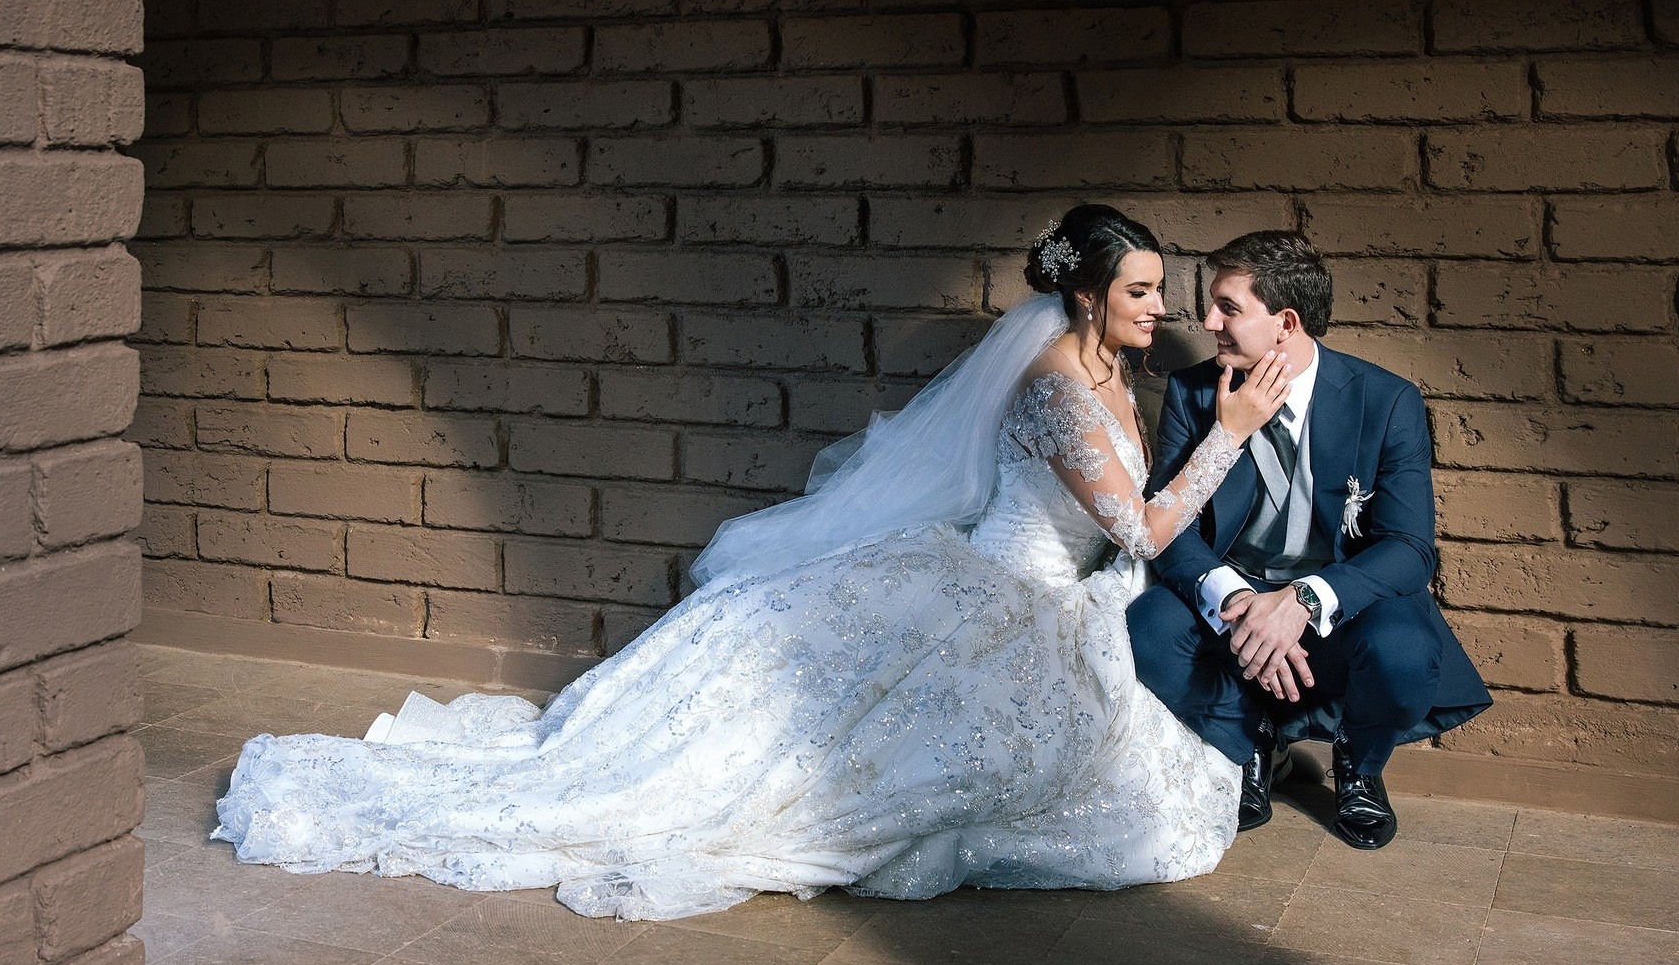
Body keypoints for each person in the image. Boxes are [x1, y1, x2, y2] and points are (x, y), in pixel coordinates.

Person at [214, 206, 1291, 920]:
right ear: (1090, 295)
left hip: (1044, 589)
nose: (1163, 309)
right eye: (1143, 290)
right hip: (1008, 590)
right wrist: (1231, 432)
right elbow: (1143, 529)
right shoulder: (1058, 384)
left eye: (1161, 290)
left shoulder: (1106, 372)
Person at [1127, 231, 1491, 851]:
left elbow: (1408, 547)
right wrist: (1237, 601)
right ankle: (1249, 749)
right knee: (1148, 630)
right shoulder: (1193, 392)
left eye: (1228, 308)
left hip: (1335, 598)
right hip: (1234, 588)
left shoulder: (1386, 400)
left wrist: (1302, 602)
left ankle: (1360, 764)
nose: (1208, 321)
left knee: (1404, 652)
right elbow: (1166, 521)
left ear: (1285, 322)